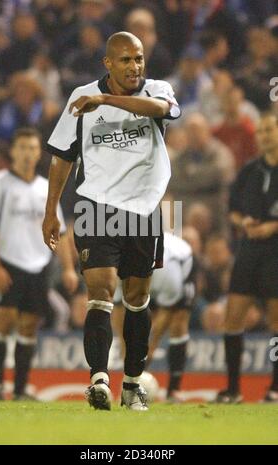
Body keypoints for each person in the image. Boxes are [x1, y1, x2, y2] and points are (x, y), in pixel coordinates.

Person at [42, 31, 180, 411]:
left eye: (138, 59)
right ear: (108, 63)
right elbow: (61, 158)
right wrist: (51, 208)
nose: (134, 67)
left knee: (136, 299)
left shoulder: (157, 89)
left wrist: (104, 101)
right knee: (100, 293)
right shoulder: (79, 97)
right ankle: (99, 379)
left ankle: (133, 383)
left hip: (144, 206)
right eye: (125, 60)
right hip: (97, 204)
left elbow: (163, 111)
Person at [0, 127, 78, 400]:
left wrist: (68, 267)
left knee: (29, 324)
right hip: (8, 262)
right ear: (12, 152)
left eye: (32, 148)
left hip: (39, 264)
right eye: (22, 147)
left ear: (38, 153)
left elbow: (59, 231)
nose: (27, 153)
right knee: (5, 319)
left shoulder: (46, 188)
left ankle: (21, 390)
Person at [216, 113, 278, 403]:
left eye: (270, 130)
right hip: (249, 249)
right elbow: (233, 209)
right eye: (262, 131)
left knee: (276, 321)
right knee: (233, 317)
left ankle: (275, 388)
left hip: (276, 250)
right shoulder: (249, 170)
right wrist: (244, 223)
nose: (264, 136)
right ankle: (232, 389)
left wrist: (272, 226)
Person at [112, 232, 196, 403]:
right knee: (130, 344)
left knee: (179, 322)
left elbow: (167, 312)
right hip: (150, 270)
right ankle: (132, 381)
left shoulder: (167, 274)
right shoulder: (119, 269)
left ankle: (174, 390)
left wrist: (149, 347)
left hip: (180, 263)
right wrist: (124, 347)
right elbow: (119, 308)